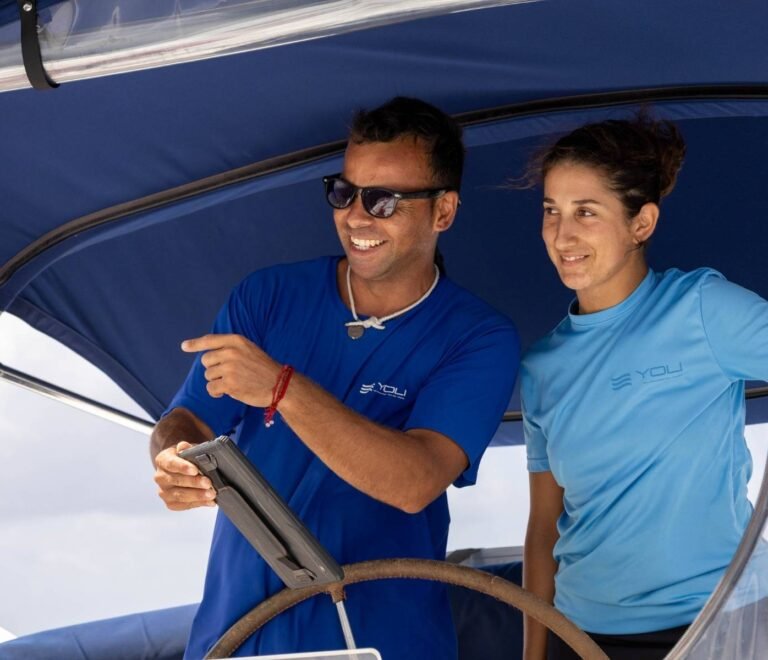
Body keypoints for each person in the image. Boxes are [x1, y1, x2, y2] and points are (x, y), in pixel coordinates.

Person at [151, 96, 520, 659]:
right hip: (235, 638)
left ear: (443, 212)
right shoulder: (267, 297)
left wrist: (282, 388)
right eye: (345, 192)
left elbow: (414, 482)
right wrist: (173, 458)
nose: (356, 217)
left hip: (383, 644)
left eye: (383, 200)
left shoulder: (478, 337)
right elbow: (187, 420)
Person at [519, 114, 768, 659]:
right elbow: (543, 530)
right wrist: (534, 654)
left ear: (642, 223)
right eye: (551, 211)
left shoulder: (703, 309)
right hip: (583, 636)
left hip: (716, 623)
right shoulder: (541, 367)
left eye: (586, 211)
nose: (562, 234)